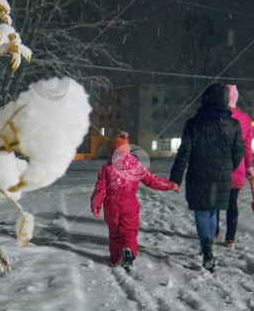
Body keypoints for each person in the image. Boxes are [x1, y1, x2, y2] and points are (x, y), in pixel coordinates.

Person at [170, 84, 245, 271]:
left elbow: (184, 153)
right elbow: (238, 153)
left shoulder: (193, 123)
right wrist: (227, 168)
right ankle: (208, 246)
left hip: (198, 174)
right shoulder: (234, 125)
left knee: (203, 212)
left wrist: (176, 178)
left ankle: (207, 250)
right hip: (222, 175)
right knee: (212, 210)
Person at [91, 132, 179, 272]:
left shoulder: (106, 168)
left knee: (114, 234)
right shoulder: (136, 166)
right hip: (130, 204)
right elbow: (152, 181)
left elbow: (100, 189)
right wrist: (170, 185)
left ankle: (115, 258)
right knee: (129, 232)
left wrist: (96, 205)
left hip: (111, 206)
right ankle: (128, 251)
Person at [214, 85, 254, 249]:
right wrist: (249, 167)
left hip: (217, 167)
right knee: (232, 203)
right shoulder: (245, 119)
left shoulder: (216, 117)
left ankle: (214, 232)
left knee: (215, 202)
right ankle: (230, 238)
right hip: (237, 168)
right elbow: (247, 146)